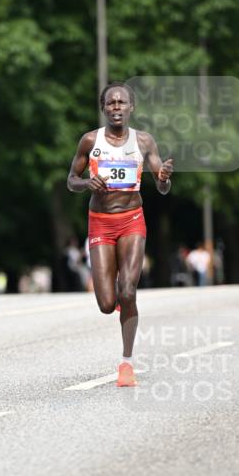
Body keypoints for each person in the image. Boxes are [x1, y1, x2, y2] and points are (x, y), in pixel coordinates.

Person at [67, 81, 173, 387]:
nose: (116, 107)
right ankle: (117, 299)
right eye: (111, 103)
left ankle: (126, 363)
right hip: (100, 221)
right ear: (103, 108)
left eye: (122, 103)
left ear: (131, 108)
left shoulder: (143, 142)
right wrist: (87, 184)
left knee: (128, 290)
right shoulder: (90, 141)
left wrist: (164, 178)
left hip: (132, 221)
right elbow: (71, 180)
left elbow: (163, 187)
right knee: (105, 303)